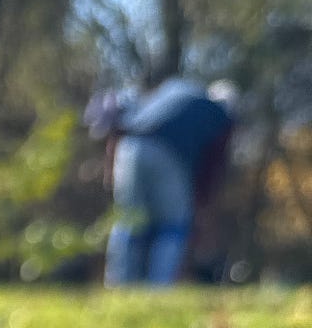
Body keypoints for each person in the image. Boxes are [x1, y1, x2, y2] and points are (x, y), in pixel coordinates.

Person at [87, 79, 236, 287]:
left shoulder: (177, 88)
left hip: (129, 147)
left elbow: (128, 117)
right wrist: (201, 204)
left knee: (129, 220)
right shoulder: (220, 116)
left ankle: (119, 286)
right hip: (168, 153)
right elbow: (211, 167)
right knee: (173, 225)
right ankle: (159, 289)